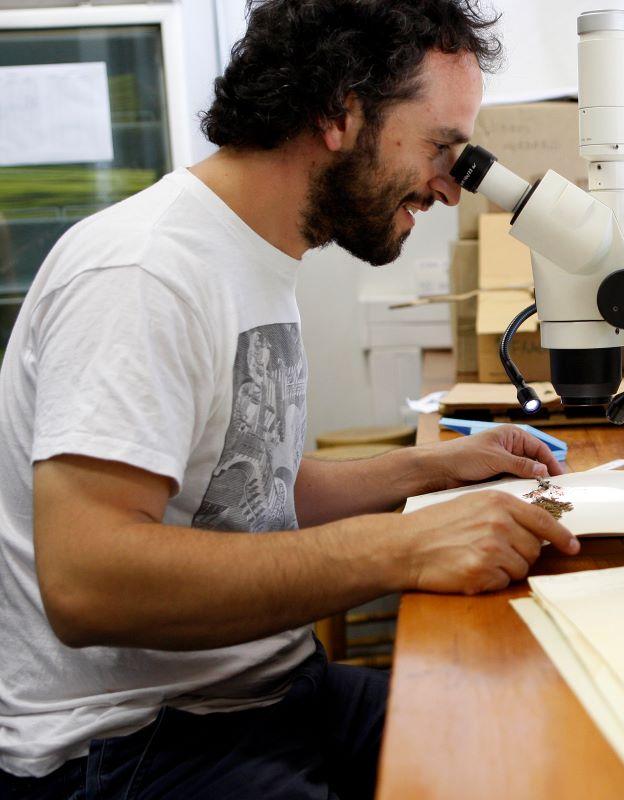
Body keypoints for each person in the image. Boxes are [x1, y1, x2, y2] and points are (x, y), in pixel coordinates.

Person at [0, 1, 579, 797]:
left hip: (268, 688)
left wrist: (433, 468)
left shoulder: (255, 252)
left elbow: (245, 487)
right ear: (340, 110)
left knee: (530, 743)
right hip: (131, 740)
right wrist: (403, 549)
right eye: (442, 147)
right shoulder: (143, 272)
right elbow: (87, 581)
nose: (450, 187)